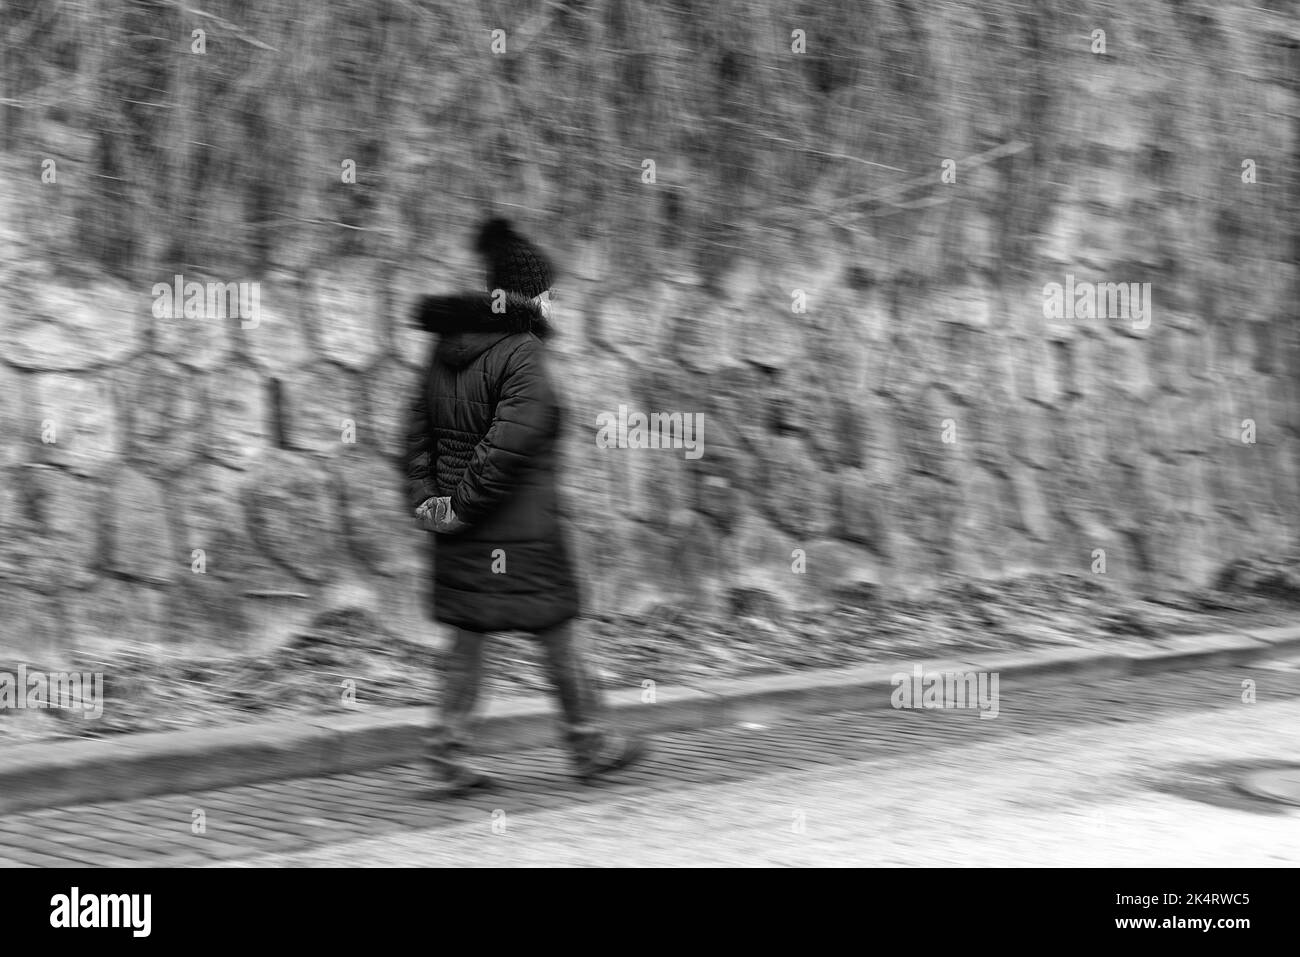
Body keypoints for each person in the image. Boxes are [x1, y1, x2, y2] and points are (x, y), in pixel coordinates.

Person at [404, 216, 646, 795]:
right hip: (523, 533)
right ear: (528, 294)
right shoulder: (523, 353)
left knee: (467, 638)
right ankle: (589, 743)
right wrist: (461, 504)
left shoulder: (444, 349)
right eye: (548, 292)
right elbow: (507, 446)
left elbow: (415, 435)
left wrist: (431, 505)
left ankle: (448, 755)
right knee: (559, 633)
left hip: (460, 531)